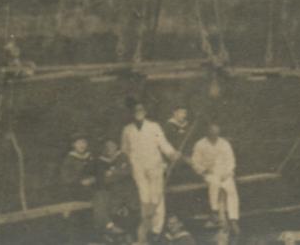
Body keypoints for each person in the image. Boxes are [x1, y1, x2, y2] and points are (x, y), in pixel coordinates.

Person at [121, 100, 180, 244]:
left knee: (157, 197)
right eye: (136, 110)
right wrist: (127, 163)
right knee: (144, 199)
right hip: (138, 169)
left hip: (154, 167)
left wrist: (172, 153)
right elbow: (124, 150)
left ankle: (156, 231)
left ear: (145, 112)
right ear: (132, 113)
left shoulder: (154, 126)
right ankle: (145, 232)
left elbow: (163, 143)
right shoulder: (127, 130)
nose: (138, 113)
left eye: (141, 110)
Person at [190, 121, 240, 237]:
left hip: (224, 173)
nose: (214, 135)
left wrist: (228, 172)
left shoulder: (224, 143)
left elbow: (231, 160)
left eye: (216, 132)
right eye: (212, 132)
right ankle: (214, 211)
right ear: (207, 131)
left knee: (231, 189)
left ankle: (233, 218)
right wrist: (204, 170)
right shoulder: (200, 144)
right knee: (215, 183)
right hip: (210, 173)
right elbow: (195, 162)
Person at [93, 137, 135, 240]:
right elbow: (103, 178)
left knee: (125, 209)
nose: (110, 148)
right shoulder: (102, 160)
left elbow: (126, 171)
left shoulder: (122, 156)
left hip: (125, 189)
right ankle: (110, 231)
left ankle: (125, 234)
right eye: (107, 146)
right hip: (112, 190)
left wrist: (113, 173)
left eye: (112, 145)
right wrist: (113, 174)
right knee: (103, 202)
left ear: (117, 146)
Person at [59, 134, 97, 201]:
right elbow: (65, 178)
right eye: (79, 143)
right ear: (73, 145)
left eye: (84, 142)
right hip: (74, 190)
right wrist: (80, 182)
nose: (82, 145)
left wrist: (93, 178)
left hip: (91, 188)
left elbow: (95, 171)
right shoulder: (69, 159)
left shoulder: (90, 157)